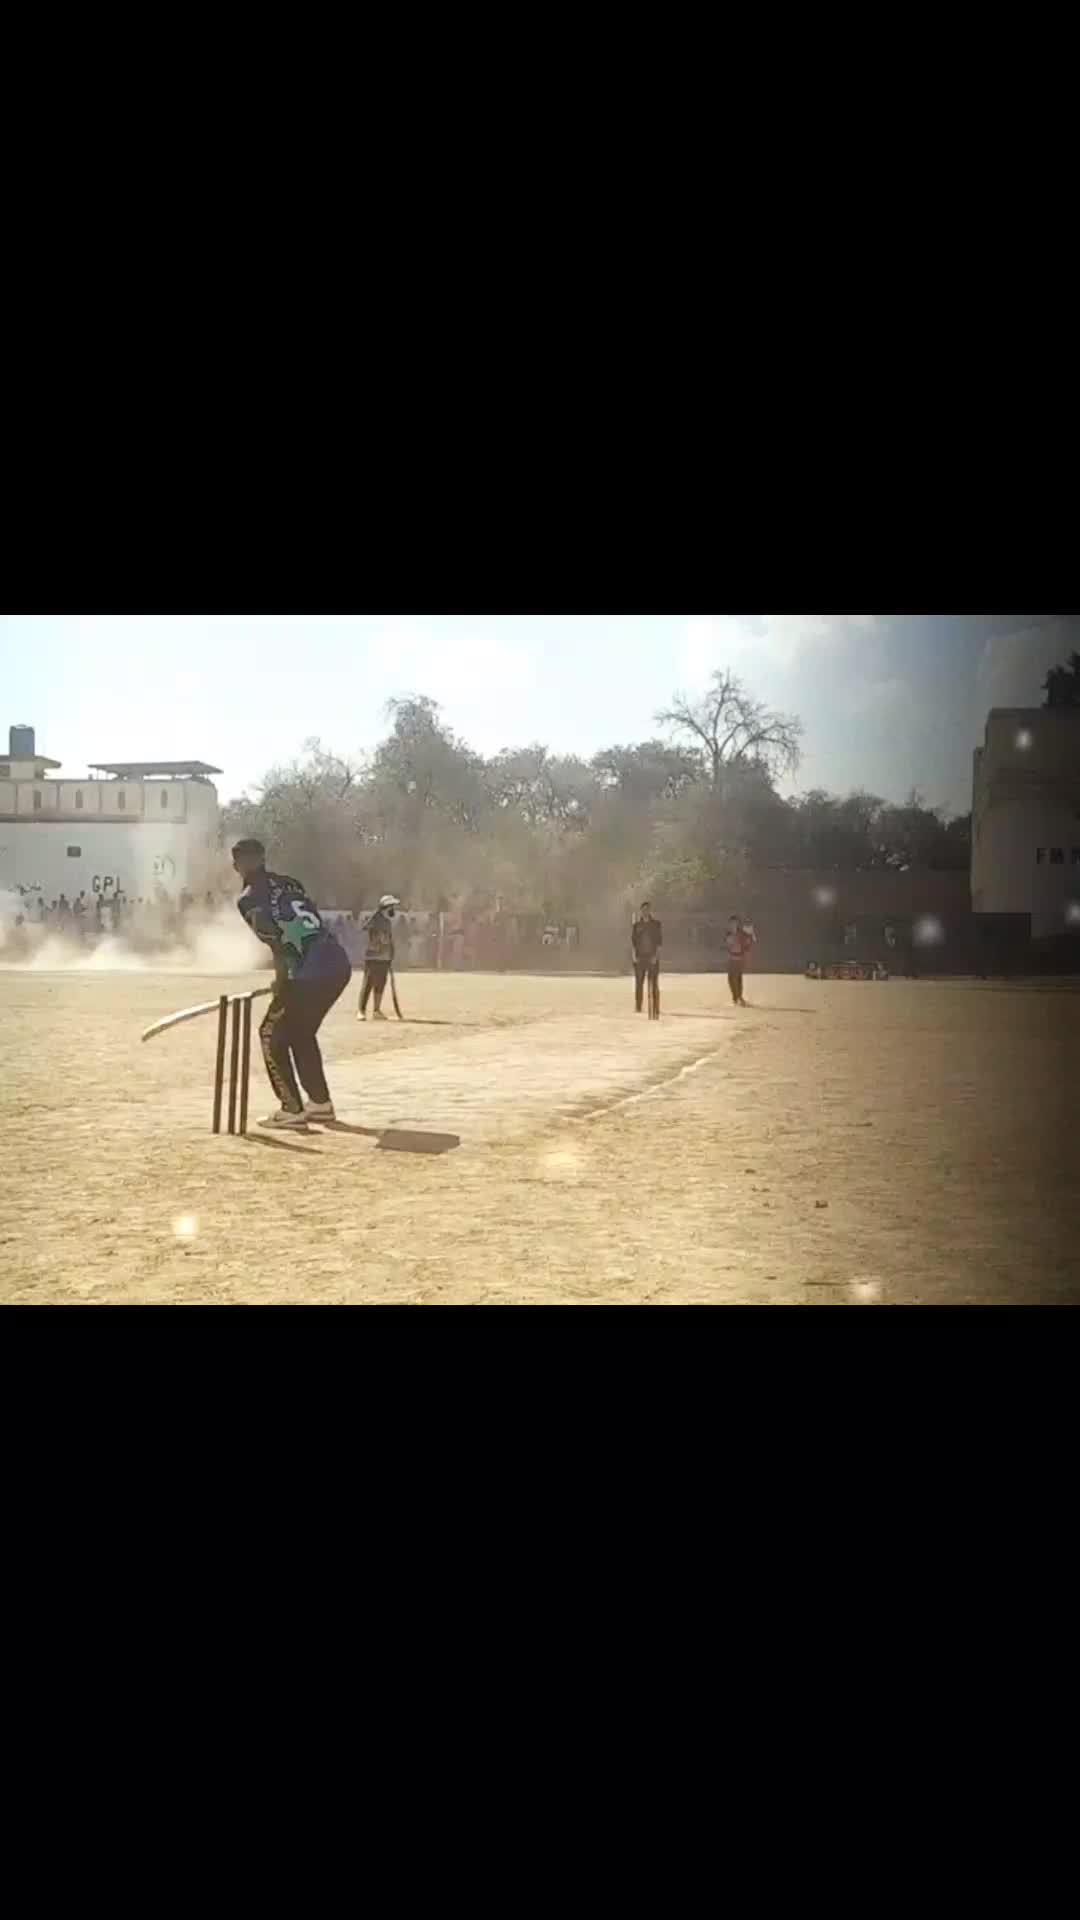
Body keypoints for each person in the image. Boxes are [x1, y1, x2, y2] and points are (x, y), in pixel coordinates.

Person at [232, 838, 351, 1127]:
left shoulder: (248, 898)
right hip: (337, 964)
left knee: (270, 1034)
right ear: (263, 858)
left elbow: (279, 942)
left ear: (237, 866)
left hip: (308, 973)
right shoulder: (290, 883)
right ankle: (320, 1104)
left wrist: (282, 980)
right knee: (301, 1033)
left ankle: (291, 1107)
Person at [358, 895, 399, 1021]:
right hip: (373, 956)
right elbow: (364, 928)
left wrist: (391, 953)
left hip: (384, 957)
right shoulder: (375, 919)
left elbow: (389, 938)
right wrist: (375, 915)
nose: (393, 909)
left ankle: (376, 1010)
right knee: (368, 983)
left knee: (380, 984)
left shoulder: (387, 922)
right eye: (392, 906)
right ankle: (361, 1011)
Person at [631, 901, 662, 1013]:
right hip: (640, 957)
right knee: (639, 983)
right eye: (643, 910)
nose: (645, 912)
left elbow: (659, 943)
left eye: (647, 909)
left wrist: (656, 956)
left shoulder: (656, 925)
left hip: (652, 957)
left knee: (654, 983)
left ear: (650, 911)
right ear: (641, 911)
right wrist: (634, 956)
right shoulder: (636, 926)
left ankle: (655, 1006)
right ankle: (638, 1006)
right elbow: (633, 943)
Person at [725, 914, 755, 1005]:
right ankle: (735, 997)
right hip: (731, 958)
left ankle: (739, 997)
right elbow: (727, 945)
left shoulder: (741, 933)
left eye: (734, 922)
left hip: (739, 958)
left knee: (737, 977)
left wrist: (750, 938)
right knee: (731, 978)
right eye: (731, 923)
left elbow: (749, 942)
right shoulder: (728, 933)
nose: (732, 924)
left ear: (737, 923)